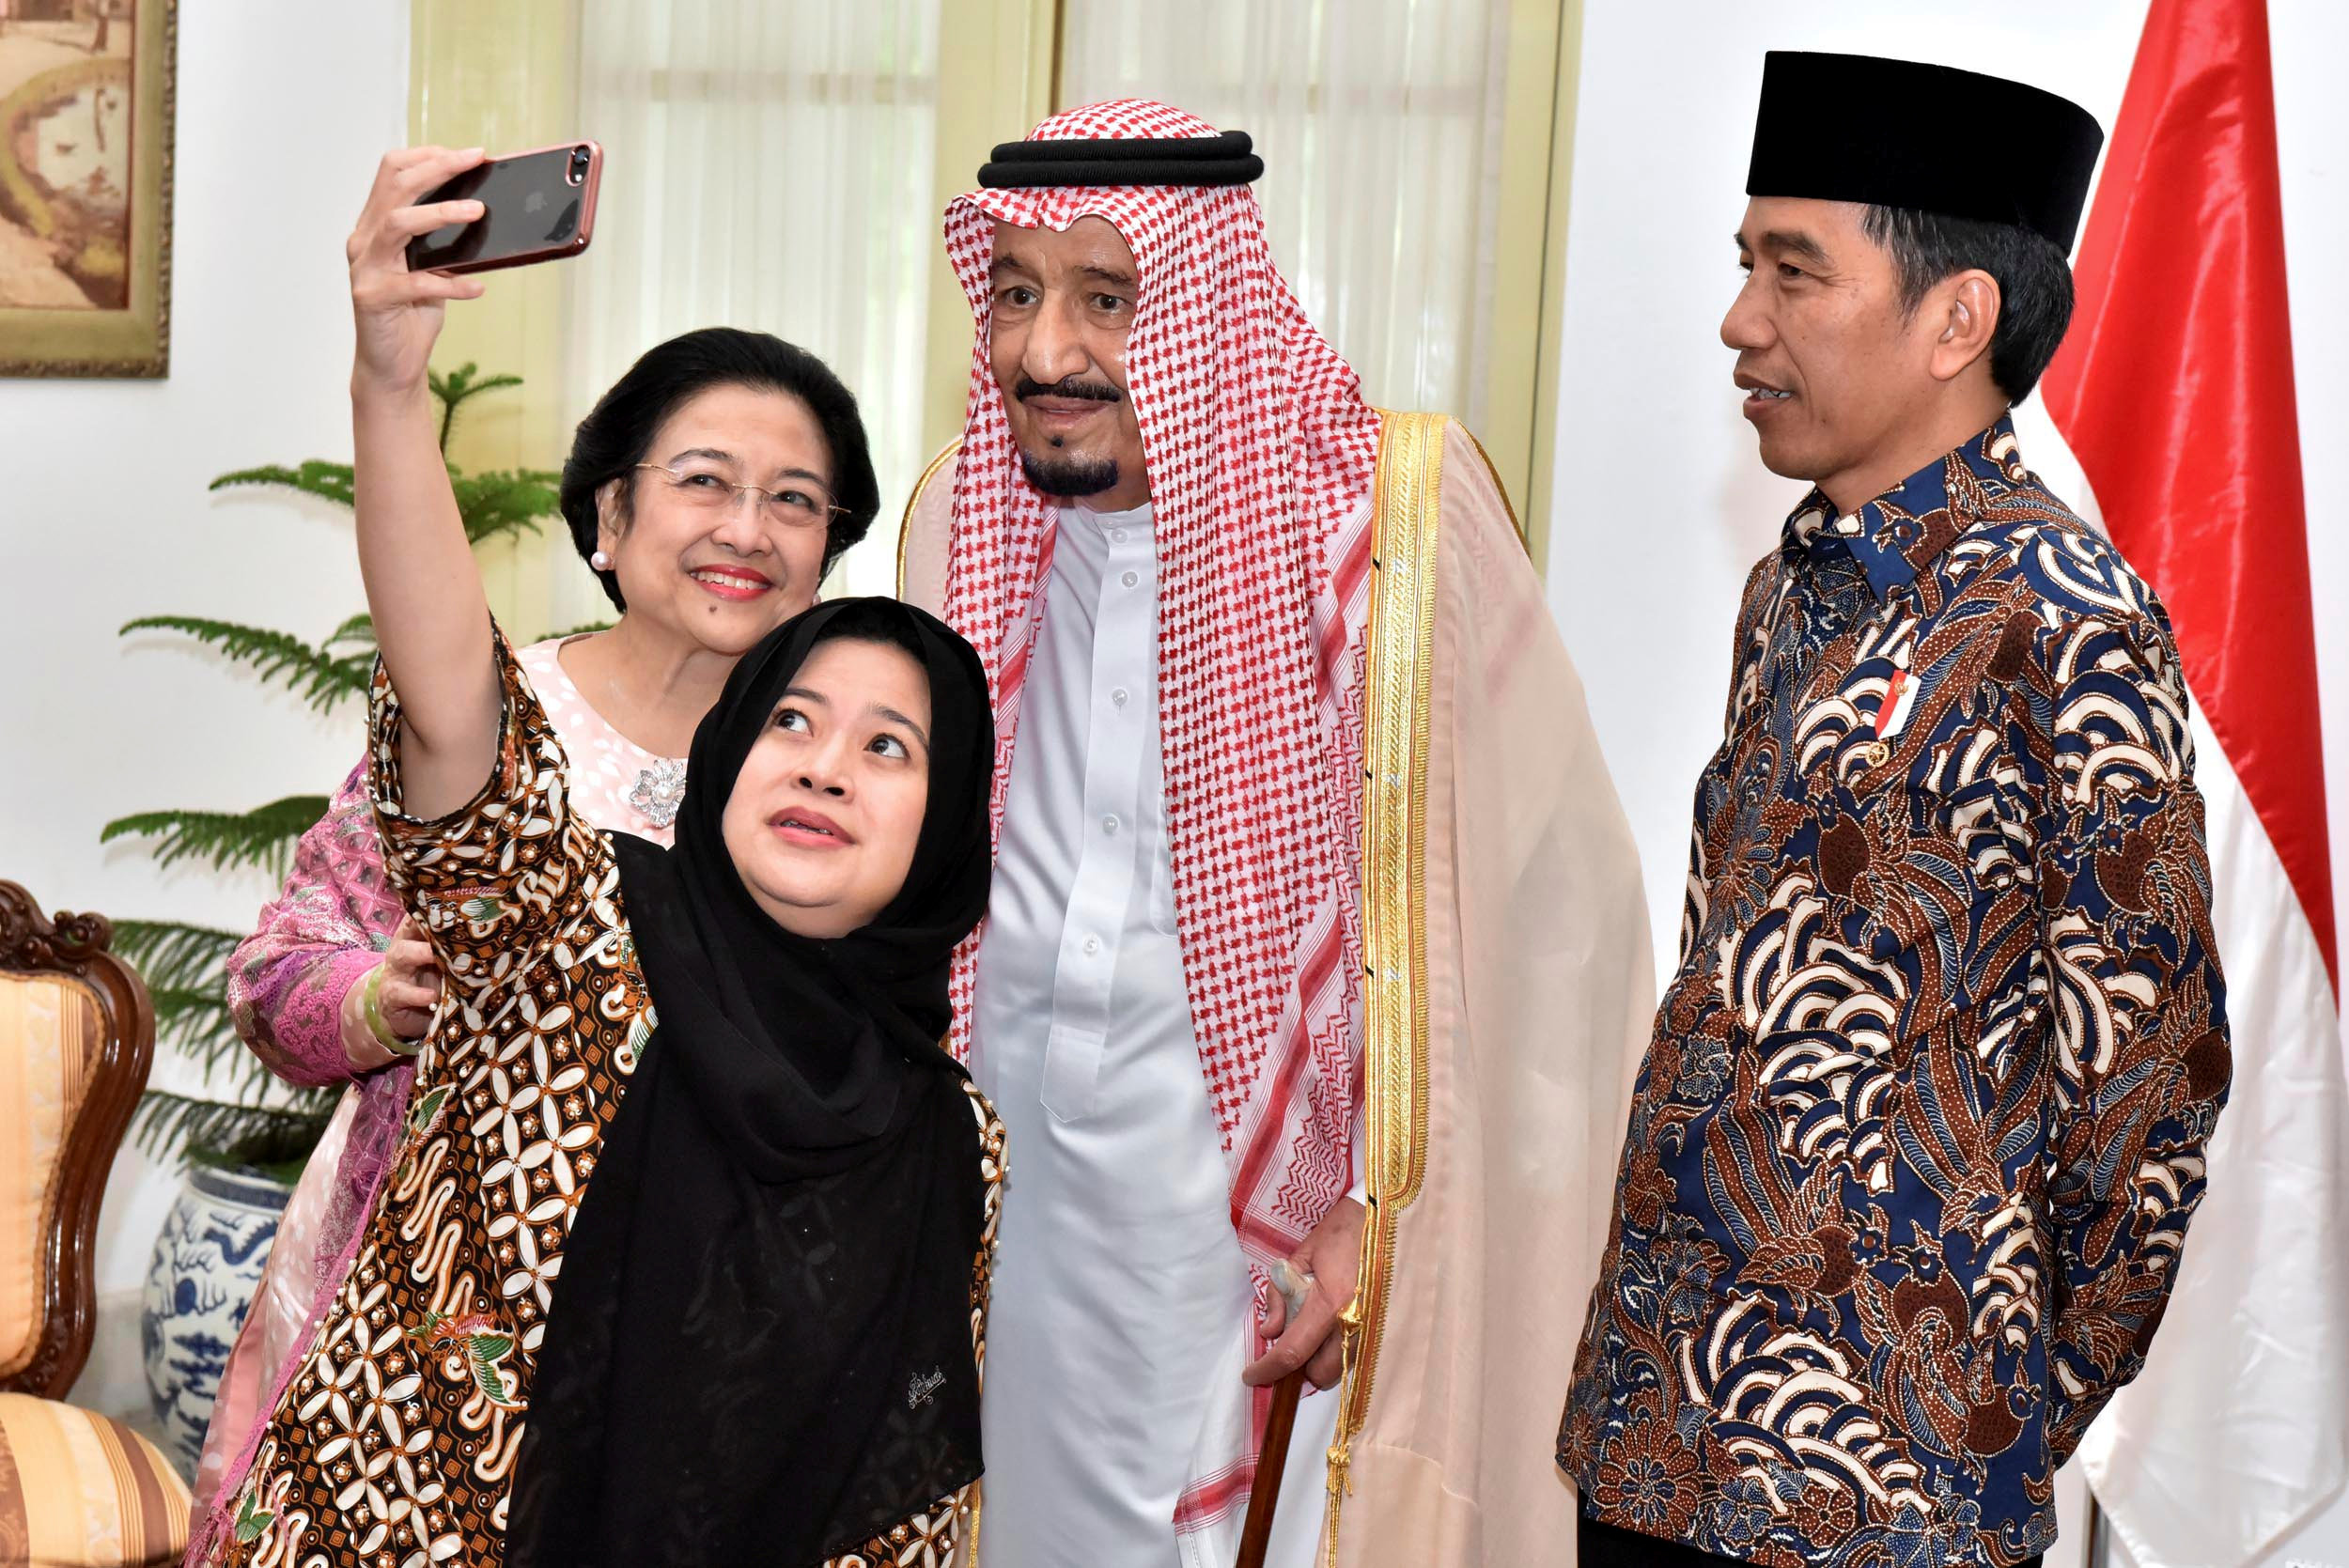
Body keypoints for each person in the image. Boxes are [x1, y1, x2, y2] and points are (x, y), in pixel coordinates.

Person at [191, 134, 1000, 1568]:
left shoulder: (943, 1132)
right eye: (703, 483)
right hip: (427, 1428)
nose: (746, 530)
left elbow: (902, 1473)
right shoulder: (565, 898)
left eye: (796, 502)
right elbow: (445, 701)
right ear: (611, 519)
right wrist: (389, 378)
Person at [894, 99, 1654, 1566]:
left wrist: (1387, 1206)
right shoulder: (956, 520)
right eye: (1018, 294)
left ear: (1199, 303)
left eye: (1107, 299)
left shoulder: (1392, 530)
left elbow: (1550, 923)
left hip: (1262, 1230)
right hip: (1009, 1212)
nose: (1047, 352)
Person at [1559, 53, 2230, 1568]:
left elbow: (2153, 1081)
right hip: (1660, 1432)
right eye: (1748, 267)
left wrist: (1998, 1403)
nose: (1742, 321)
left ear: (1956, 320)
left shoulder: (2066, 616)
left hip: (1887, 1499)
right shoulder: (1788, 592)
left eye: (1797, 271)